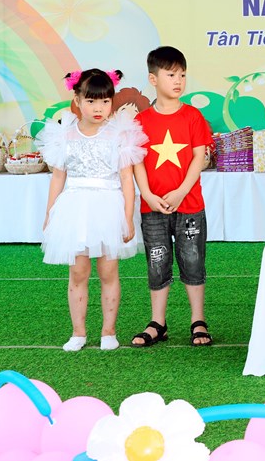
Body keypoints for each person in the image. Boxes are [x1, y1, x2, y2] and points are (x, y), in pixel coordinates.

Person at [40, 68, 146, 352]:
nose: (98, 108)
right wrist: (50, 213)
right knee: (78, 273)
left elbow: (127, 179)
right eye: (90, 101)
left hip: (109, 207)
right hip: (74, 209)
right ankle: (78, 332)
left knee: (109, 272)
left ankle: (109, 331)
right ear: (77, 100)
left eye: (105, 101)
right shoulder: (64, 135)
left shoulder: (119, 135)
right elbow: (58, 177)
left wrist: (127, 216)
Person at [130, 46, 215, 347]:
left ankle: (198, 320)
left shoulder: (193, 116)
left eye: (182, 75)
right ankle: (158, 322)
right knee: (157, 261)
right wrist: (148, 195)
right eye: (171, 75)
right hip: (152, 206)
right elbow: (137, 162)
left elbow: (199, 158)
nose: (178, 81)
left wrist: (180, 192)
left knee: (193, 260)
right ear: (153, 79)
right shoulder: (140, 121)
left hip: (189, 205)